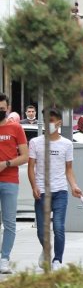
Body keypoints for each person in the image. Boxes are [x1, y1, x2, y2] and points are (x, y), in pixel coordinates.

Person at [27, 108, 83, 271]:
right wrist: (34, 186)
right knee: (41, 230)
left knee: (58, 227)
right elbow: (31, 167)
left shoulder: (66, 144)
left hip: (60, 192)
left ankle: (57, 260)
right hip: (42, 192)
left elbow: (69, 169)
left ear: (59, 123)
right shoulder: (35, 142)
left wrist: (74, 186)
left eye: (50, 120)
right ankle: (46, 251)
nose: (47, 124)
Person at [0, 93, 29, 274]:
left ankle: (4, 259)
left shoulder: (16, 128)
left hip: (10, 180)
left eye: (2, 109)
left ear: (8, 109)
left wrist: (6, 164)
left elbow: (25, 156)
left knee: (9, 222)